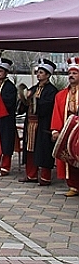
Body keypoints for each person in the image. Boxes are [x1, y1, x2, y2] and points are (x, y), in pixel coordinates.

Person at [18, 59, 58, 186]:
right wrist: (24, 98)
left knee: (44, 150)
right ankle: (31, 175)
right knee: (30, 149)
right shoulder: (33, 88)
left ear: (47, 75)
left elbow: (47, 107)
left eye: (41, 72)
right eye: (38, 72)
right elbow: (23, 106)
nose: (38, 75)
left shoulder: (52, 91)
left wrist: (34, 100)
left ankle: (45, 177)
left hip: (42, 125)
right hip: (30, 124)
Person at [51, 57, 79, 197]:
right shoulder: (61, 95)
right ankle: (73, 185)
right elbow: (57, 112)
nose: (71, 76)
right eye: (70, 74)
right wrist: (56, 130)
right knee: (69, 159)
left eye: (74, 73)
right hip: (68, 131)